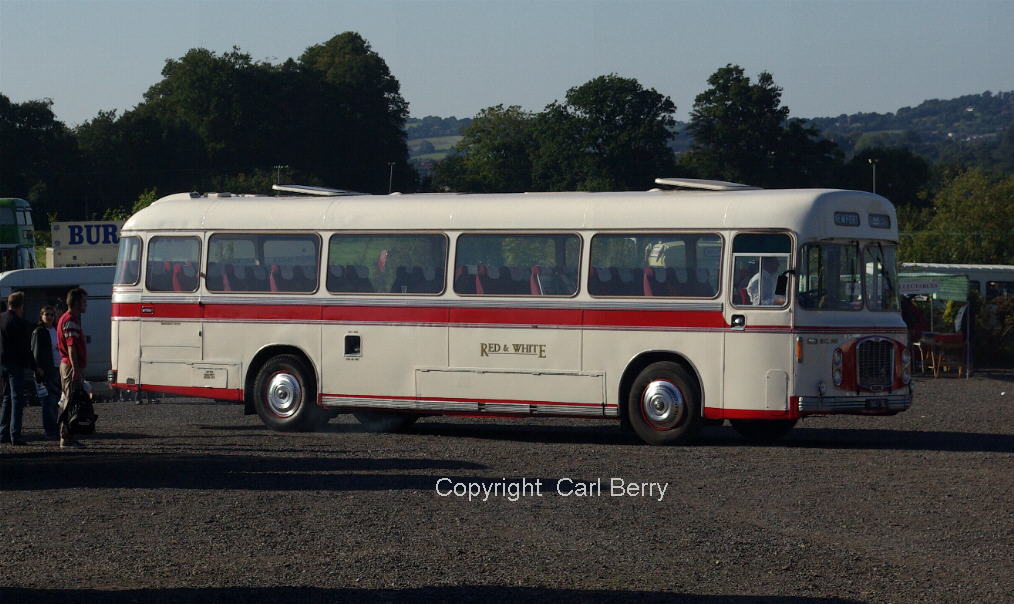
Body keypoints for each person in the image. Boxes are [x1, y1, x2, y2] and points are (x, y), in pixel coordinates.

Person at [0, 292, 45, 446]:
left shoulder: (1, 318)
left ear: (9, 304)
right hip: (15, 364)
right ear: (21, 306)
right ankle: (15, 435)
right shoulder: (17, 323)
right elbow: (25, 348)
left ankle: (3, 432)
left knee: (6, 398)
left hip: (2, 364)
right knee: (17, 399)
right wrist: (35, 367)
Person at [57, 287, 88, 449]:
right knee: (70, 401)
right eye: (83, 302)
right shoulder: (70, 321)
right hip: (70, 366)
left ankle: (68, 435)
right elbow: (71, 347)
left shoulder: (67, 319)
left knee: (69, 399)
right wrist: (76, 368)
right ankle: (66, 437)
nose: (86, 305)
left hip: (69, 365)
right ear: (76, 303)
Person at [31, 305, 62, 440]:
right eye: (46, 314)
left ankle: (54, 429)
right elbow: (35, 351)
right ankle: (49, 431)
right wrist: (38, 368)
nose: (49, 317)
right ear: (41, 316)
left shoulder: (56, 330)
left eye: (51, 315)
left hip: (57, 369)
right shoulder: (39, 332)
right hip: (44, 371)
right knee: (47, 402)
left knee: (55, 401)